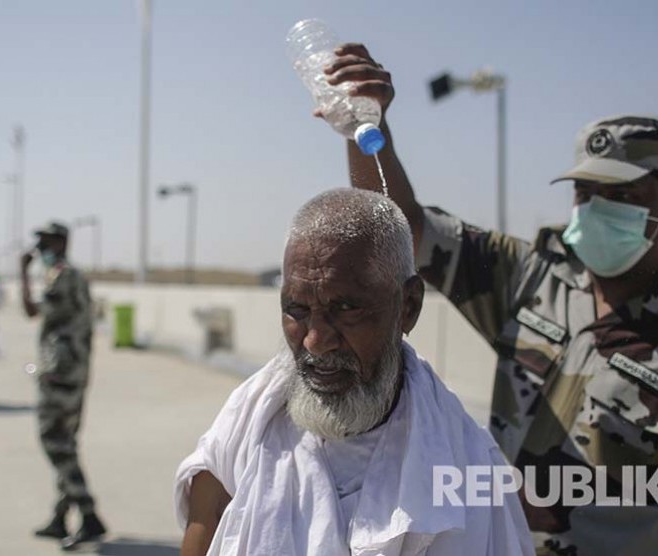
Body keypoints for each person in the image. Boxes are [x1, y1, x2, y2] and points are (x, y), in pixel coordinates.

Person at [328, 43, 658, 555]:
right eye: (586, 193)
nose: (597, 210)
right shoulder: (528, 279)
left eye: (622, 197)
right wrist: (366, 126)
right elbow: (403, 227)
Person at [174, 189, 534, 556]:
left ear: (407, 306)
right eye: (296, 309)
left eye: (346, 308)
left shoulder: (470, 466)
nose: (315, 341)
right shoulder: (245, 427)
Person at [20, 221, 107, 550]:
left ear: (60, 242)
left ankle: (89, 514)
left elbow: (32, 311)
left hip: (60, 373)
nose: (39, 247)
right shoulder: (72, 274)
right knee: (65, 441)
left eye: (44, 241)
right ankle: (61, 516)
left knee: (54, 440)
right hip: (72, 370)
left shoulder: (62, 274)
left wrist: (23, 274)